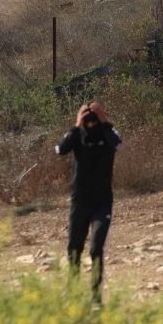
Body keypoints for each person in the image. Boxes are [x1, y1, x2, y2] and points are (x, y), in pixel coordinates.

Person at [55, 102, 123, 298]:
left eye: (93, 120)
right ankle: (72, 291)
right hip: (80, 202)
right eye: (88, 120)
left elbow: (118, 144)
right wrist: (77, 124)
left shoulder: (108, 135)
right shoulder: (78, 135)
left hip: (102, 203)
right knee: (74, 250)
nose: (90, 123)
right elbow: (60, 149)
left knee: (96, 249)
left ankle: (96, 296)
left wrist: (105, 122)